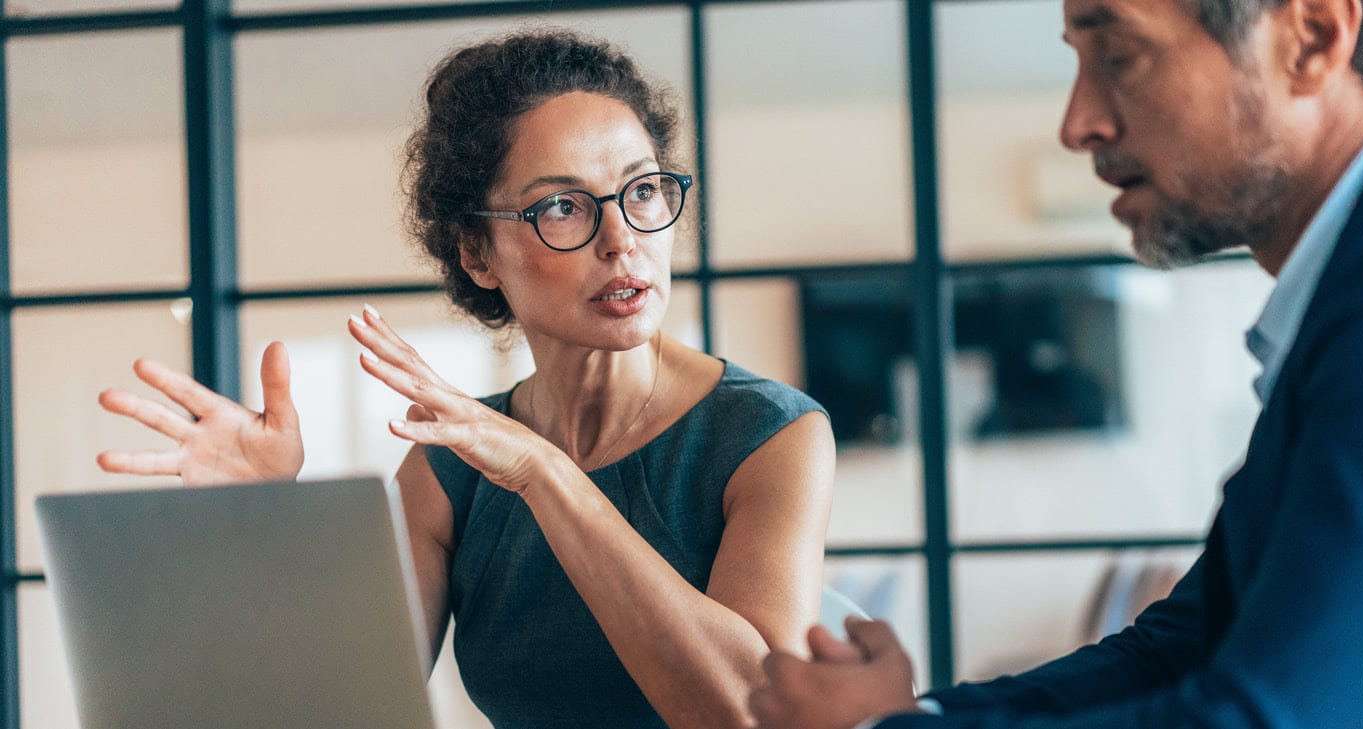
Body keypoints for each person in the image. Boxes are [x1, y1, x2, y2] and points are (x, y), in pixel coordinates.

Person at [95, 30, 836, 729]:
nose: (621, 241)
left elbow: (752, 712)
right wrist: (269, 525)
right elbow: (339, 709)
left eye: (642, 191)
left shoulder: (771, 434)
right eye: (561, 207)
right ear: (478, 254)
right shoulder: (450, 468)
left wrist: (542, 469)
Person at [749, 0, 1363, 725]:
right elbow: (1183, 644)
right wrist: (915, 716)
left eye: (1118, 56)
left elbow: (1282, 715)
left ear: (1309, 38)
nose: (1078, 123)